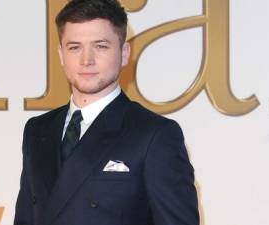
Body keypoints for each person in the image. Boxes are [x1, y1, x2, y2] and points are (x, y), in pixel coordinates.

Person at [14, 0, 199, 225]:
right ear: (61, 55)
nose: (86, 60)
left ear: (124, 53)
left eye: (100, 46)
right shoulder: (37, 130)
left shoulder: (155, 135)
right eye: (75, 47)